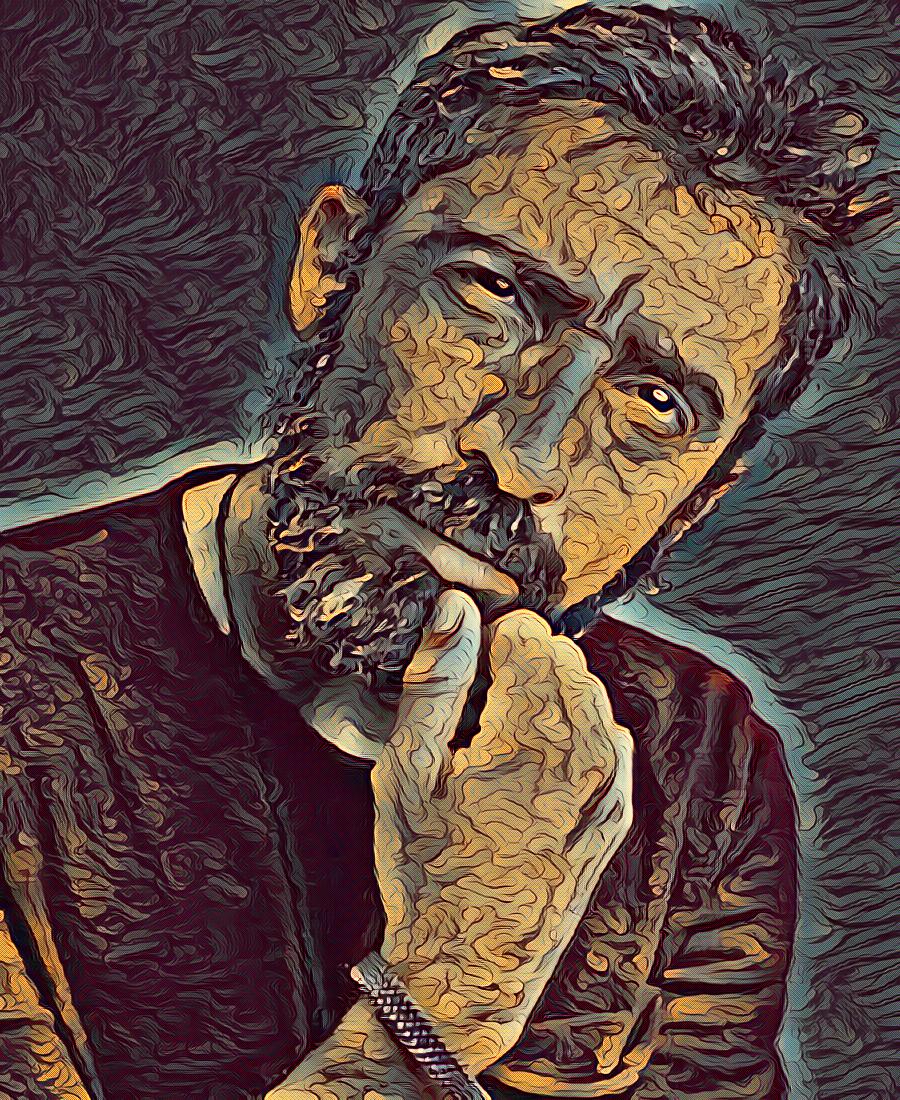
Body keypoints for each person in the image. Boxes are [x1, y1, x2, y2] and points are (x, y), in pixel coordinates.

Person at [0, 4, 879, 1097]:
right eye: (492, 293)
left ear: (696, 501)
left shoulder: (699, 762)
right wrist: (446, 1000)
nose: (526, 452)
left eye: (656, 401)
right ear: (334, 264)